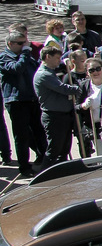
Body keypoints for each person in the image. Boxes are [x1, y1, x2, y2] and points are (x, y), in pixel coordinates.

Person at [1, 30, 45, 177]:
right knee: (22, 136)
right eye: (20, 43)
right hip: (16, 101)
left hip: (32, 99)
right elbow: (16, 69)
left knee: (39, 131)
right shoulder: (4, 57)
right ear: (10, 44)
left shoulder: (27, 56)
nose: (24, 46)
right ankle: (24, 167)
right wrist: (26, 53)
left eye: (25, 42)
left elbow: (37, 68)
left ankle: (44, 159)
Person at [33, 44, 82, 168]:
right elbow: (63, 89)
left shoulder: (51, 72)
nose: (59, 61)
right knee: (54, 149)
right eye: (57, 58)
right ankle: (43, 175)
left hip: (62, 116)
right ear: (48, 57)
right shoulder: (44, 75)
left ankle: (62, 173)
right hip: (54, 117)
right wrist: (81, 88)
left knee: (64, 150)